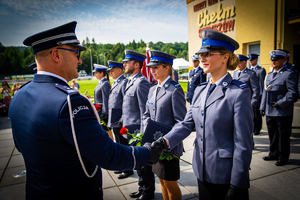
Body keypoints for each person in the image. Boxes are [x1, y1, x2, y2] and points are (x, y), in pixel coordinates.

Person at [8, 21, 163, 200]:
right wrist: (149, 153)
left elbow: (21, 146)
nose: (80, 60)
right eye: (76, 53)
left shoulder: (20, 95)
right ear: (56, 54)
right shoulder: (68, 102)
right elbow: (107, 154)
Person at [152, 29, 253, 200]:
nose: (202, 59)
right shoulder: (200, 90)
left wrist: (237, 184)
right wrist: (163, 142)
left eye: (208, 54)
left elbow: (243, 143)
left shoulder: (238, 92)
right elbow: (186, 124)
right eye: (200, 55)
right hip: (202, 170)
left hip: (225, 175)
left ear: (225, 57)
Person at [142, 50, 186, 200]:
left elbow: (181, 121)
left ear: (166, 68)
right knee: (161, 180)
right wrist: (146, 133)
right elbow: (146, 115)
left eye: (155, 68)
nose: (152, 71)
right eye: (151, 68)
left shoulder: (175, 90)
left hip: (169, 147)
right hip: (154, 145)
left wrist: (166, 141)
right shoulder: (153, 89)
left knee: (171, 184)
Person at [122, 49, 153, 199]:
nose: (124, 64)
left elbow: (144, 111)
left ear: (136, 65)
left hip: (138, 131)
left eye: (127, 62)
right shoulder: (130, 81)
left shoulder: (141, 83)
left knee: (144, 163)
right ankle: (142, 187)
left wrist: (143, 135)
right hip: (131, 131)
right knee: (137, 162)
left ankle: (148, 191)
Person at [260, 50, 298, 166]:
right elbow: (265, 92)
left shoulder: (289, 74)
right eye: (272, 60)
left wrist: (281, 103)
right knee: (272, 134)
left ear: (283, 60)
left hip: (282, 112)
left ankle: (283, 157)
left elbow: (293, 93)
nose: (273, 62)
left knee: (283, 136)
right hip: (270, 111)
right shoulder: (269, 75)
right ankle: (273, 153)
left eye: (276, 60)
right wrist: (262, 107)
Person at [106, 60, 130, 175]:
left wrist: (121, 120)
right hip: (114, 119)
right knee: (118, 145)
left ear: (119, 70)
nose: (110, 73)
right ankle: (122, 166)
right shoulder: (116, 82)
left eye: (112, 70)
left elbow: (126, 103)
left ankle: (127, 169)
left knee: (123, 145)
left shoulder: (124, 82)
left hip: (120, 120)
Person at [233, 54, 260, 144]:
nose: (238, 64)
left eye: (240, 62)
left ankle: (250, 142)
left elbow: (256, 90)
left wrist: (253, 103)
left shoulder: (250, 74)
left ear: (245, 62)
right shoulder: (235, 73)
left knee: (247, 124)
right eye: (237, 62)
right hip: (236, 103)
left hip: (247, 103)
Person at [93, 64, 113, 140]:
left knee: (107, 132)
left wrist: (105, 113)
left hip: (103, 112)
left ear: (102, 73)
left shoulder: (105, 84)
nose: (95, 74)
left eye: (96, 72)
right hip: (99, 111)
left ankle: (112, 148)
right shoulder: (101, 82)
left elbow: (106, 99)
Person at [248, 54, 266, 135]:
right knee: (251, 113)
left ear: (256, 60)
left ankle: (257, 128)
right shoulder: (248, 70)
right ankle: (253, 127)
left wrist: (260, 96)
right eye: (249, 60)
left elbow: (261, 84)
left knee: (257, 113)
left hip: (257, 95)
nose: (250, 61)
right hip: (250, 95)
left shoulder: (261, 70)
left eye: (252, 60)